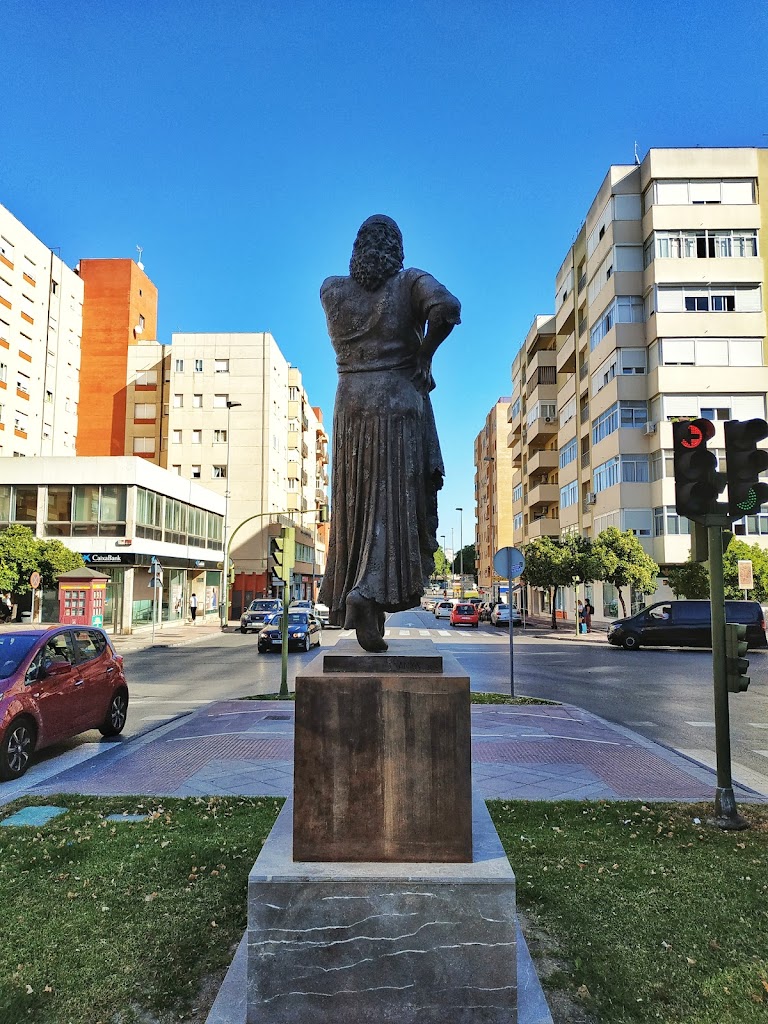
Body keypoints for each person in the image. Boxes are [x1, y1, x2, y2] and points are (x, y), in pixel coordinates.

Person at [318, 215, 461, 652]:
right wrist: (424, 353)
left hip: (350, 403)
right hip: (398, 402)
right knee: (392, 504)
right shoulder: (409, 281)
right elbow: (448, 308)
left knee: (356, 503)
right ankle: (369, 591)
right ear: (397, 249)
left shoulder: (330, 289)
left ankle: (363, 602)